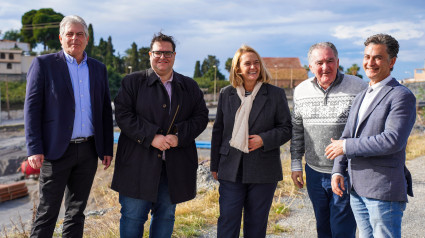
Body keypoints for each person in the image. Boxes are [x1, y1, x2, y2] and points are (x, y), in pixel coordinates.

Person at [111, 32, 209, 237]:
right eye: (158, 53)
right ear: (150, 54)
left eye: (167, 53)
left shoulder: (189, 86)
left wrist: (178, 136)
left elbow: (201, 117)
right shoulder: (132, 82)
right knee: (132, 217)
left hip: (174, 166)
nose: (162, 57)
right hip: (137, 165)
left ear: (174, 55)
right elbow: (123, 114)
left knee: (166, 216)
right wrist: (151, 137)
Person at [25, 15, 113, 237]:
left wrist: (106, 149)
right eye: (70, 34)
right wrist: (34, 148)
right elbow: (32, 109)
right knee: (47, 213)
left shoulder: (98, 68)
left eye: (80, 34)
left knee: (76, 212)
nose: (75, 38)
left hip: (88, 150)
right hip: (55, 152)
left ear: (87, 38)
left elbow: (104, 110)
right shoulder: (43, 65)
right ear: (61, 38)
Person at [327, 34, 416, 238]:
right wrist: (338, 171)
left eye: (377, 57)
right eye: (367, 56)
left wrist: (346, 147)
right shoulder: (361, 95)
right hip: (356, 189)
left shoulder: (401, 96)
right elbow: (346, 136)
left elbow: (392, 140)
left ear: (392, 61)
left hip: (383, 190)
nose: (370, 62)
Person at [210, 45, 292, 238]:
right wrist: (215, 165)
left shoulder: (275, 94)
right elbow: (218, 131)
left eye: (257, 63)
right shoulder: (226, 94)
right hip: (230, 169)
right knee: (228, 221)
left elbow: (287, 128)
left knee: (256, 224)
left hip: (263, 170)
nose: (253, 67)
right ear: (238, 68)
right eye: (247, 63)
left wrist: (264, 139)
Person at [290, 42, 367, 237]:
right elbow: (297, 130)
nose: (325, 67)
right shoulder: (300, 91)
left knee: (342, 229)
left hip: (346, 172)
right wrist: (296, 164)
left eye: (330, 61)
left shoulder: (358, 86)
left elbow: (367, 128)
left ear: (338, 62)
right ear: (311, 67)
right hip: (314, 172)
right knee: (322, 227)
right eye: (320, 62)